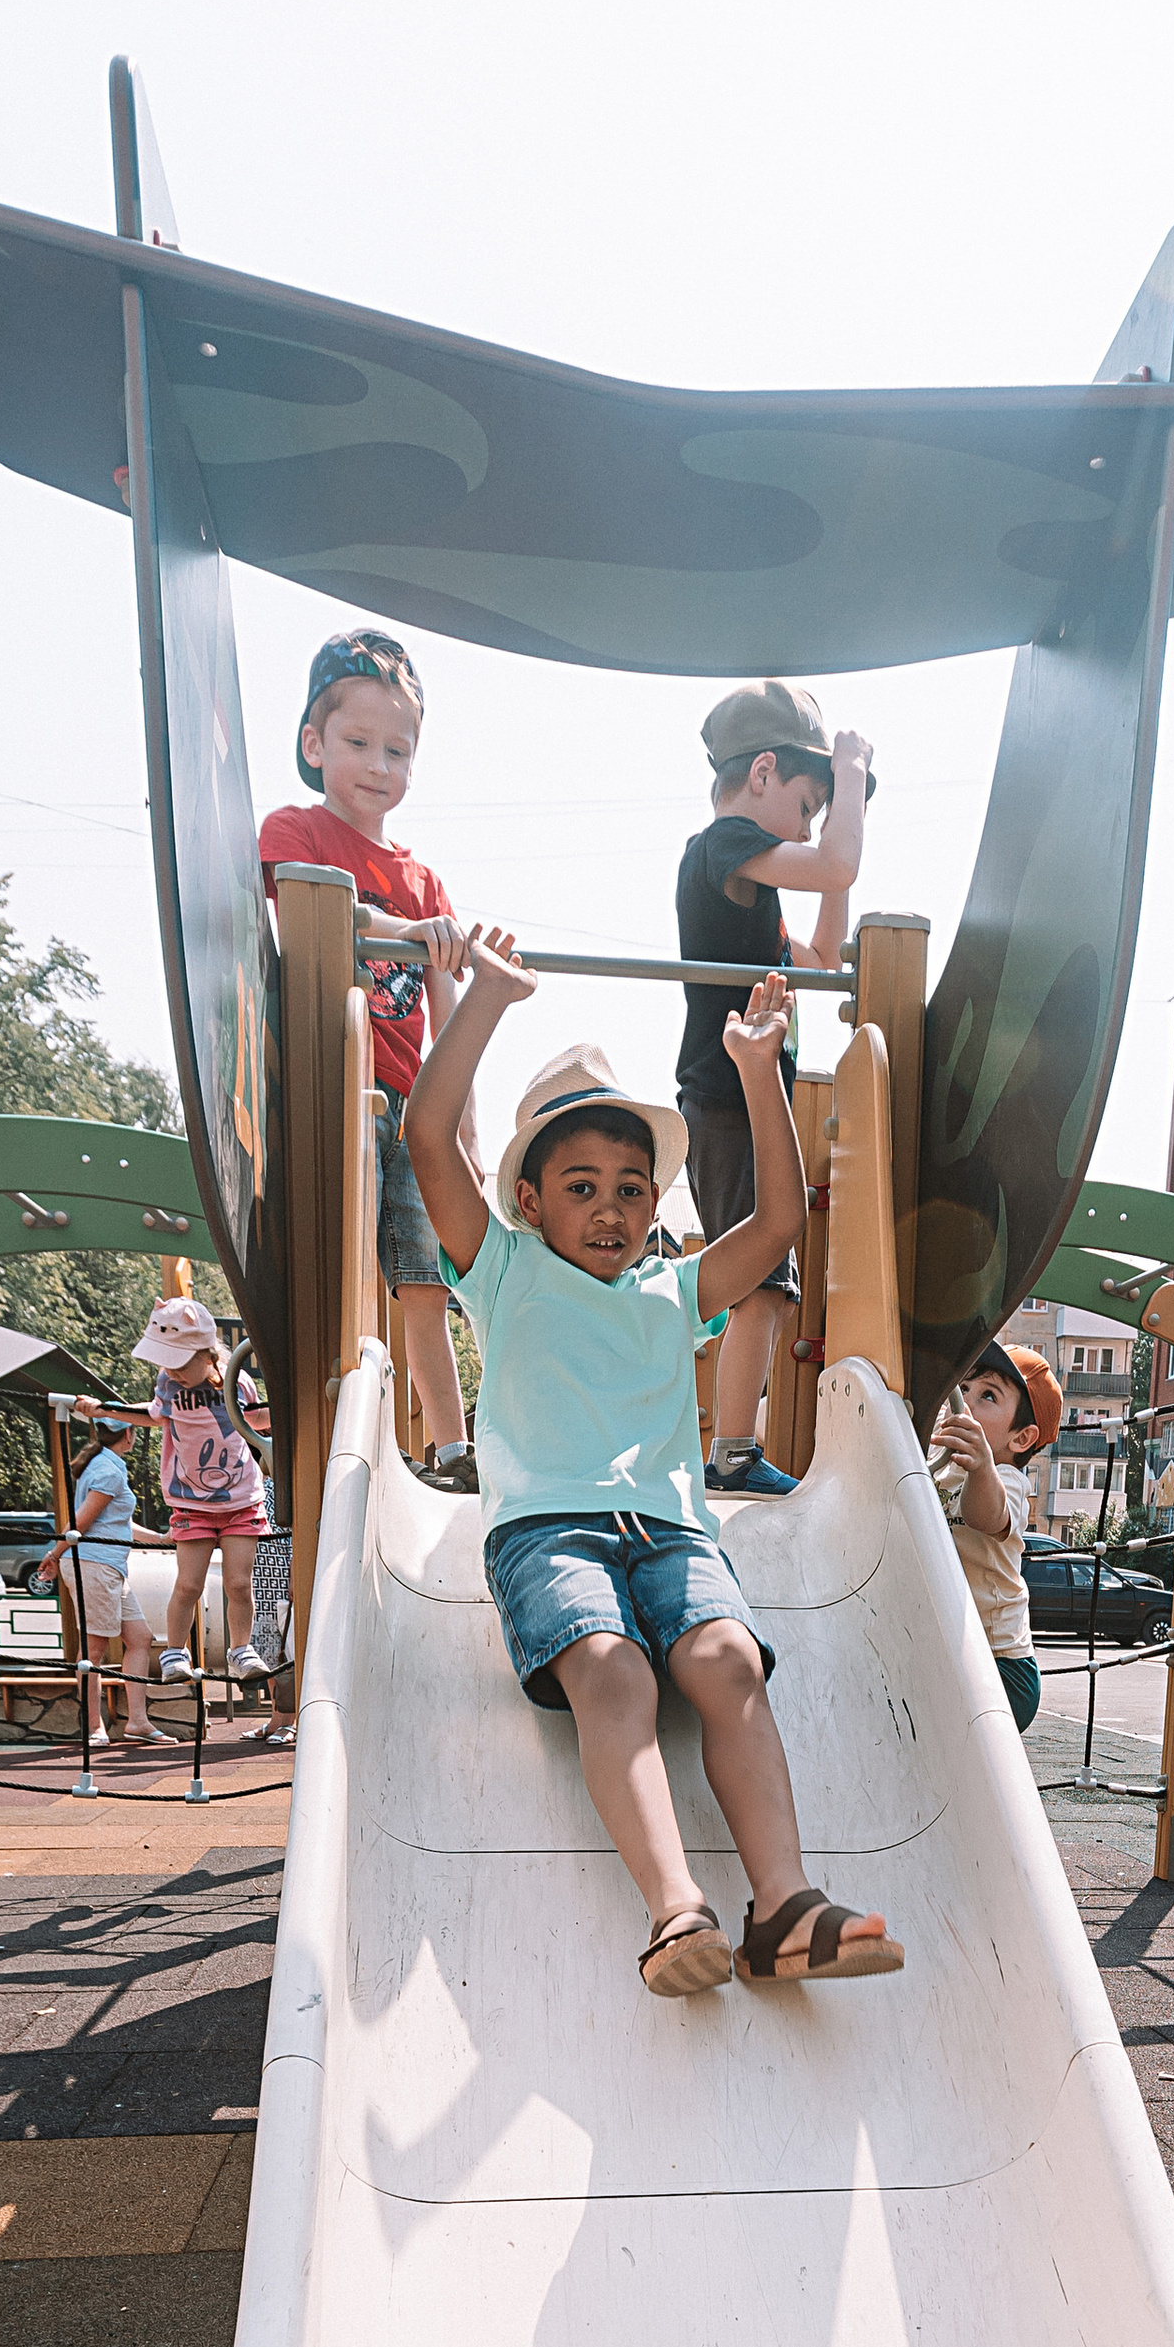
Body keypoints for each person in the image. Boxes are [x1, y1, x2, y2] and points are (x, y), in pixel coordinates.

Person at [403, 927, 903, 1997]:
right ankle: (676, 1908)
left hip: (673, 1532)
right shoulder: (501, 1271)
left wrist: (760, 1073)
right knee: (612, 1669)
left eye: (632, 1188)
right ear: (529, 1203)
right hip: (548, 1530)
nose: (610, 1208)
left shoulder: (670, 1292)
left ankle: (785, 1908)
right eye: (580, 1186)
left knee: (726, 1662)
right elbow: (428, 1136)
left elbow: (774, 1225)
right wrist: (484, 1001)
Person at [259, 628, 481, 1491]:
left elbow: (447, 991)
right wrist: (410, 935)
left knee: (424, 1277)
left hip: (408, 1099)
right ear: (314, 745)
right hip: (331, 1089)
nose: (378, 764)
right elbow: (317, 912)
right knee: (342, 1277)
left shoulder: (423, 881)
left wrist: (462, 1107)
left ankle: (452, 1447)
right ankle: (343, 1429)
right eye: (358, 743)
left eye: (398, 749)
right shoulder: (297, 828)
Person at [674, 681, 873, 1501]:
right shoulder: (721, 846)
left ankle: (729, 1448)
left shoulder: (754, 891)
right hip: (728, 1096)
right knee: (763, 1281)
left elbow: (823, 956)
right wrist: (853, 774)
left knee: (766, 1285)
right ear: (762, 772)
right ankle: (731, 1453)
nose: (807, 825)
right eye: (804, 802)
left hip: (751, 1101)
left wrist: (832, 838)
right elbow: (838, 860)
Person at [78, 1301, 267, 1686]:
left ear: (208, 1354)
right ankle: (175, 1652)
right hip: (191, 1502)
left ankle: (240, 1650)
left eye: (181, 1363)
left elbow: (257, 1418)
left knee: (237, 1583)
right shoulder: (167, 1384)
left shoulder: (236, 1381)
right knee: (188, 1584)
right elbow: (153, 1415)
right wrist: (103, 1410)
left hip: (240, 1499)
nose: (174, 1372)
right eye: (166, 1363)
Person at [932, 1342, 1063, 1733]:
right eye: (963, 1388)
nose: (964, 1403)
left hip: (1002, 1666)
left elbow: (984, 1517)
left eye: (987, 1395)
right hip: (957, 1652)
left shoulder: (1007, 1480)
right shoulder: (935, 1468)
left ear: (1021, 1439)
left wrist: (981, 1467)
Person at [37, 1413, 158, 1747]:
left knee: (140, 1638)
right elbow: (83, 1522)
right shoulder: (107, 1469)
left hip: (109, 1566)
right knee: (93, 1648)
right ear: (129, 1434)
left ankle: (137, 1721)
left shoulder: (108, 1464)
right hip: (95, 1565)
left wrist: (163, 1538)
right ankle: (93, 1726)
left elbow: (117, 1525)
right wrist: (56, 1553)